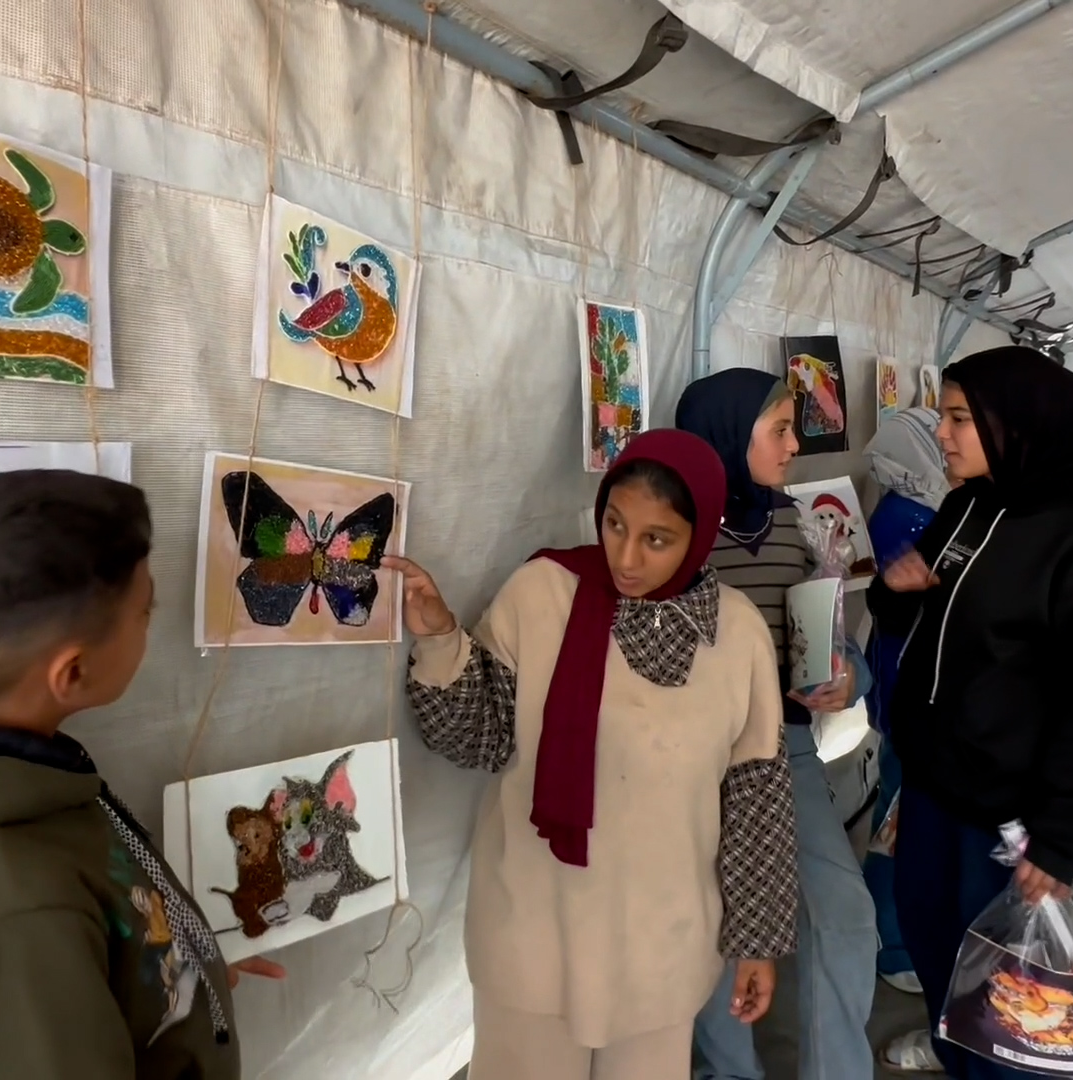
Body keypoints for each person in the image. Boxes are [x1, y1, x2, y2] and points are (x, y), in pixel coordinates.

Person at [0, 470, 282, 1080]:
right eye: (144, 611)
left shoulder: (17, 778)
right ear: (72, 673)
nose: (151, 622)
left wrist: (188, 986)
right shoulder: (11, 920)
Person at [392, 429, 798, 1080]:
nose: (626, 558)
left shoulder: (739, 633)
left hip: (660, 949)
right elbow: (478, 737)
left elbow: (757, 803)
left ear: (697, 538)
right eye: (614, 524)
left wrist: (758, 941)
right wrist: (441, 640)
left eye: (656, 539)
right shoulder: (542, 594)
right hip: (533, 935)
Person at [869, 347, 1073, 1075]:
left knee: (1010, 988)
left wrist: (1065, 835)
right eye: (943, 417)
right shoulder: (971, 503)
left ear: (1020, 424)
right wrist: (893, 592)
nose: (942, 434)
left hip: (1011, 809)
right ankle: (953, 1050)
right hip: (936, 782)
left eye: (959, 419)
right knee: (934, 938)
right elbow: (918, 606)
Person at [674, 369, 877, 1080]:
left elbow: (832, 640)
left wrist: (847, 678)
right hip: (693, 758)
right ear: (728, 434)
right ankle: (729, 1071)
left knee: (843, 912)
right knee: (713, 920)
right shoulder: (676, 530)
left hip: (783, 751)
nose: (794, 446)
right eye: (780, 430)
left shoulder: (802, 524)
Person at [861, 406, 951, 996]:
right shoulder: (910, 514)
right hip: (911, 683)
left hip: (917, 682)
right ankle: (892, 942)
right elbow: (907, 607)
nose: (947, 440)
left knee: (906, 810)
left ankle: (899, 934)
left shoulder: (935, 506)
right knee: (900, 815)